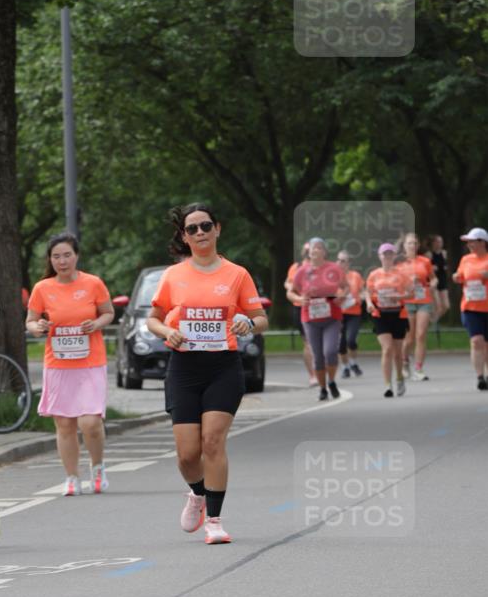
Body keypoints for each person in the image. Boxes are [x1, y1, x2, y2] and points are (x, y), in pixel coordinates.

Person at [146, 203, 268, 545]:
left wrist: (248, 323)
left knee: (212, 442)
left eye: (205, 226)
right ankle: (198, 493)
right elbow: (153, 318)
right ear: (184, 237)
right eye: (192, 229)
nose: (199, 233)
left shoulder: (236, 274)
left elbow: (261, 318)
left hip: (223, 366)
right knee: (187, 455)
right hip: (184, 368)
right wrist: (165, 332)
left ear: (217, 228)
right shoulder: (173, 275)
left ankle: (214, 520)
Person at [26, 233, 114, 495]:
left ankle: (97, 467)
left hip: (90, 362)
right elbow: (30, 321)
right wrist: (38, 327)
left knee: (90, 423)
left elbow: (108, 312)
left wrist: (95, 324)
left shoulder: (93, 283)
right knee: (64, 424)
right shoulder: (43, 288)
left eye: (67, 255)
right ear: (50, 260)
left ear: (76, 256)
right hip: (59, 365)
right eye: (56, 256)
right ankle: (71, 477)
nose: (62, 261)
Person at [290, 238, 346, 401]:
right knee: (318, 355)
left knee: (330, 352)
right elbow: (291, 292)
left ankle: (332, 381)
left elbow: (345, 287)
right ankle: (322, 388)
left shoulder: (334, 268)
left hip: (332, 316)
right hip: (310, 317)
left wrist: (341, 296)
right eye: (313, 248)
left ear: (324, 251)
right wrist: (300, 300)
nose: (316, 251)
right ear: (309, 252)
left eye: (319, 248)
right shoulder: (302, 271)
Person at [365, 243, 412, 397]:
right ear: (380, 256)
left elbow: (411, 294)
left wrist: (398, 297)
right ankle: (387, 385)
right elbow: (368, 292)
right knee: (387, 349)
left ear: (394, 256)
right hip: (380, 315)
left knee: (397, 353)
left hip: (398, 314)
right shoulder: (374, 274)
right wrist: (370, 304)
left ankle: (399, 378)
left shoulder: (401, 274)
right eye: (384, 254)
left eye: (390, 254)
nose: (387, 257)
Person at [452, 227, 488, 390]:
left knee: (486, 344)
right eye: (468, 242)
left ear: (482, 242)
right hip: (470, 307)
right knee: (476, 341)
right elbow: (459, 275)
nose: (469, 245)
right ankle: (480, 377)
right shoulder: (466, 260)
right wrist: (456, 277)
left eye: (472, 241)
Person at [400, 232, 437, 381]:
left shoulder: (425, 261)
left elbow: (434, 279)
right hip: (407, 302)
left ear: (418, 246)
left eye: (415, 243)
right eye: (409, 243)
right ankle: (404, 363)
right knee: (409, 338)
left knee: (421, 335)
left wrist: (432, 286)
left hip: (423, 300)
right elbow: (394, 283)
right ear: (404, 246)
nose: (412, 246)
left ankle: (419, 368)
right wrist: (408, 282)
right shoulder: (400, 263)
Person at [284, 243, 317, 386]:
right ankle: (313, 375)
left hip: (320, 308)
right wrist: (298, 296)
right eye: (308, 251)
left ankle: (321, 371)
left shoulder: (322, 267)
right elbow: (289, 286)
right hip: (301, 307)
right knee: (308, 343)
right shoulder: (297, 267)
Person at [337, 250, 365, 378]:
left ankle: (353, 363)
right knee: (341, 344)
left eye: (343, 261)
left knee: (351, 340)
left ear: (349, 263)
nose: (340, 263)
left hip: (354, 312)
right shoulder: (333, 277)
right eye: (339, 260)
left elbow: (364, 292)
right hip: (338, 314)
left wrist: (357, 299)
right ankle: (345, 367)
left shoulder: (355, 276)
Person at [425, 234, 450, 323]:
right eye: (437, 242)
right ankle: (429, 322)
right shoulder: (429, 254)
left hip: (442, 280)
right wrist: (432, 267)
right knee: (438, 306)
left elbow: (446, 265)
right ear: (433, 243)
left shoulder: (444, 253)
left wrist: (446, 268)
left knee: (446, 306)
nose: (439, 244)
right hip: (433, 281)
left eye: (441, 242)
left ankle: (430, 321)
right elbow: (424, 268)